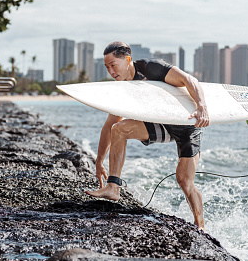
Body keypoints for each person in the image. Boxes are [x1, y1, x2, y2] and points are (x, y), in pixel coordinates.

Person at [85, 41, 209, 230]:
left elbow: (190, 80)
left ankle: (200, 226)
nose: (110, 71)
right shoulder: (122, 88)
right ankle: (113, 187)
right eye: (107, 67)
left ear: (127, 60)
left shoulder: (152, 68)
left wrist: (202, 108)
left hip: (187, 124)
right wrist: (99, 160)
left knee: (185, 181)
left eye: (113, 65)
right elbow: (110, 124)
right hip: (161, 124)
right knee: (119, 129)